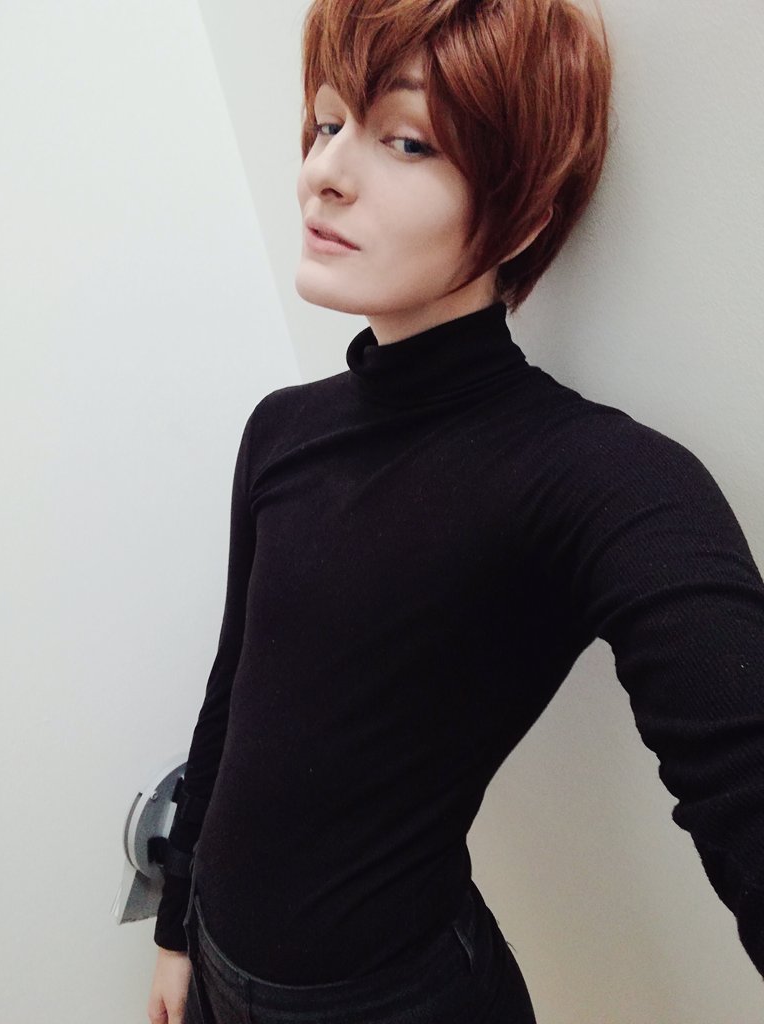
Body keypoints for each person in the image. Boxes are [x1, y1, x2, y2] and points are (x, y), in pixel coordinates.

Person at [147, 1, 764, 1021]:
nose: (322, 171)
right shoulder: (282, 430)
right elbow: (234, 692)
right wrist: (177, 925)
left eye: (406, 140)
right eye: (327, 123)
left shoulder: (590, 476)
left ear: (521, 218)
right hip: (215, 961)